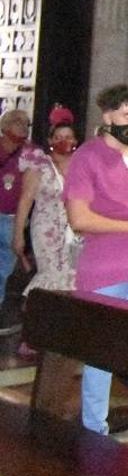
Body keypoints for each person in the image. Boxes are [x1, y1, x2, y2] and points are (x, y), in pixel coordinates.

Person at [63, 84, 128, 442]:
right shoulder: (87, 157)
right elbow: (80, 218)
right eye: (127, 116)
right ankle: (94, 429)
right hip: (104, 267)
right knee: (100, 356)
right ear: (107, 116)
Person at [11, 105, 80, 295]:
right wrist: (18, 235)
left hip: (75, 228)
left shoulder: (82, 165)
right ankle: (38, 309)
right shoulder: (39, 164)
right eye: (58, 138)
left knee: (73, 274)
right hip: (47, 228)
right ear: (50, 140)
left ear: (75, 140)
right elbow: (25, 200)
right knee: (51, 273)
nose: (63, 141)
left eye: (68, 137)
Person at [0, 108, 37, 335]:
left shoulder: (31, 153)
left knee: (3, 268)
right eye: (16, 122)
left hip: (12, 218)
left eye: (25, 123)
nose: (21, 127)